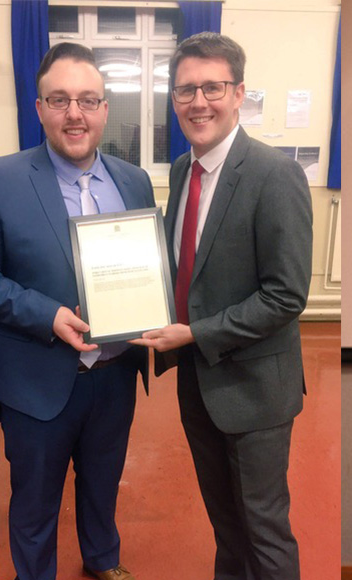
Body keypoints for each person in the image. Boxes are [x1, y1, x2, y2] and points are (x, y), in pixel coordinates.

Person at [0, 43, 154, 580]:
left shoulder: (133, 181)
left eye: (88, 100)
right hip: (35, 376)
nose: (75, 114)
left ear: (106, 108)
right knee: (35, 499)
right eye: (59, 100)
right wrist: (47, 314)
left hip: (114, 375)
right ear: (38, 108)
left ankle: (103, 560)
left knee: (103, 481)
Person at [130, 32, 312, 580]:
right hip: (200, 383)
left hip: (255, 390)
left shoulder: (274, 175)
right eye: (185, 90)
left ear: (238, 94)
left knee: (263, 528)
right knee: (225, 524)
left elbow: (286, 295)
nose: (198, 102)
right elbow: (179, 265)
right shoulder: (185, 171)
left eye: (212, 87)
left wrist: (194, 333)